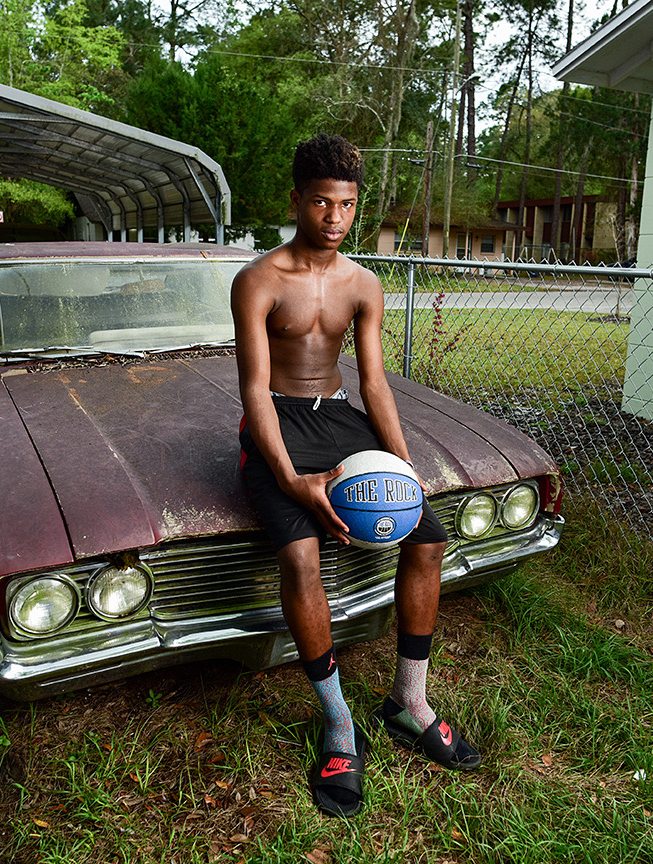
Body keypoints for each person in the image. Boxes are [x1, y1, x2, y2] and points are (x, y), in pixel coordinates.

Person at [231, 133, 480, 819]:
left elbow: (372, 381)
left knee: (427, 539)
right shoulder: (257, 280)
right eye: (321, 202)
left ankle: (410, 699)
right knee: (301, 556)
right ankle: (339, 725)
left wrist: (402, 465)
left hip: (341, 420)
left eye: (346, 205)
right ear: (296, 201)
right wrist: (290, 480)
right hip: (279, 422)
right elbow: (254, 391)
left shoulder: (363, 283)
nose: (334, 218)